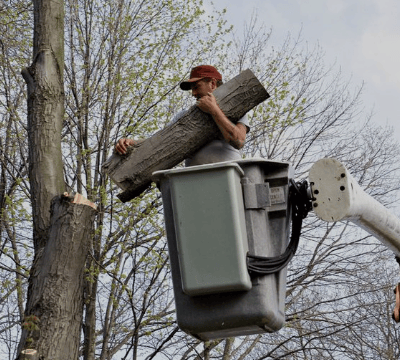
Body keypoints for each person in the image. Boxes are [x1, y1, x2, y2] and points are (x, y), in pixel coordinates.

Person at [115, 65, 249, 166]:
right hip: (193, 183)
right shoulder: (184, 116)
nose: (193, 93)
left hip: (228, 178)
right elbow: (160, 140)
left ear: (212, 84)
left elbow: (238, 140)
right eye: (192, 89)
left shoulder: (236, 109)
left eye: (197, 87)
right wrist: (132, 143)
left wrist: (214, 110)